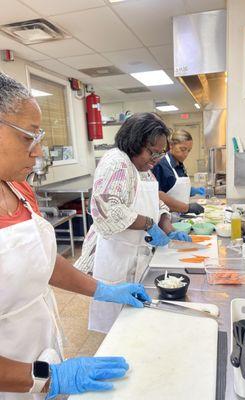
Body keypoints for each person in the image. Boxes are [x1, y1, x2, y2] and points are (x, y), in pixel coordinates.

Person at [0, 72, 151, 399]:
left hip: (39, 348)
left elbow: (42, 263)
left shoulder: (18, 187)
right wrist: (44, 377)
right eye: (28, 137)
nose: (38, 153)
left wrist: (103, 290)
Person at [76, 113, 191, 333]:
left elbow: (159, 203)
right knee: (116, 326)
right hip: (115, 255)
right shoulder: (117, 163)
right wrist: (149, 224)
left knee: (134, 318)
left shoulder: (143, 169)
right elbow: (109, 210)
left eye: (160, 153)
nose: (156, 158)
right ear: (134, 142)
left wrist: (168, 226)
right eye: (152, 152)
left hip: (137, 253)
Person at [152, 129, 205, 215]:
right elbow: (157, 196)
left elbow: (173, 188)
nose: (186, 154)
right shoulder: (161, 165)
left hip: (182, 217)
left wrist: (191, 191)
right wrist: (187, 208)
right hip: (167, 218)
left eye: (189, 150)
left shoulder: (180, 164)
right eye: (183, 149)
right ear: (171, 145)